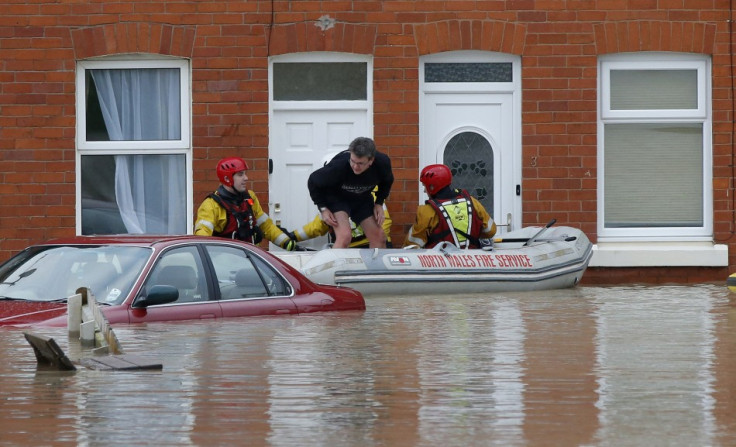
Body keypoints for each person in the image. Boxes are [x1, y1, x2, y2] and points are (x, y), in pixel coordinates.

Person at [307, 137, 394, 248]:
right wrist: (323, 208)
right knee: (344, 237)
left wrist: (379, 203)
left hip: (361, 198)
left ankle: (376, 265)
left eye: (360, 163)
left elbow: (387, 181)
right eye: (353, 161)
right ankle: (332, 263)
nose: (355, 167)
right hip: (337, 198)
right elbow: (313, 181)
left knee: (379, 237)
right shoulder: (339, 165)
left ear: (371, 160)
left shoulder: (382, 163)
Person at [194, 157, 297, 251]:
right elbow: (202, 239)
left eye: (245, 173)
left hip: (251, 258)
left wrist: (287, 243)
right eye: (240, 174)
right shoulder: (211, 205)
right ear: (227, 179)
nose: (246, 178)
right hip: (225, 264)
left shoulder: (249, 197)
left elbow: (266, 226)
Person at [404, 164, 496, 249]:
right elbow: (490, 231)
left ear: (432, 187)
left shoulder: (427, 211)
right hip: (471, 261)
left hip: (440, 263)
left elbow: (412, 245)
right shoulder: (472, 202)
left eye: (425, 186)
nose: (424, 190)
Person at [289, 188, 394, 248]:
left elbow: (384, 223)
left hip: (372, 248)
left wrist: (376, 246)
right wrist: (293, 236)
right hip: (351, 249)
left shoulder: (371, 197)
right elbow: (319, 225)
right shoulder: (332, 201)